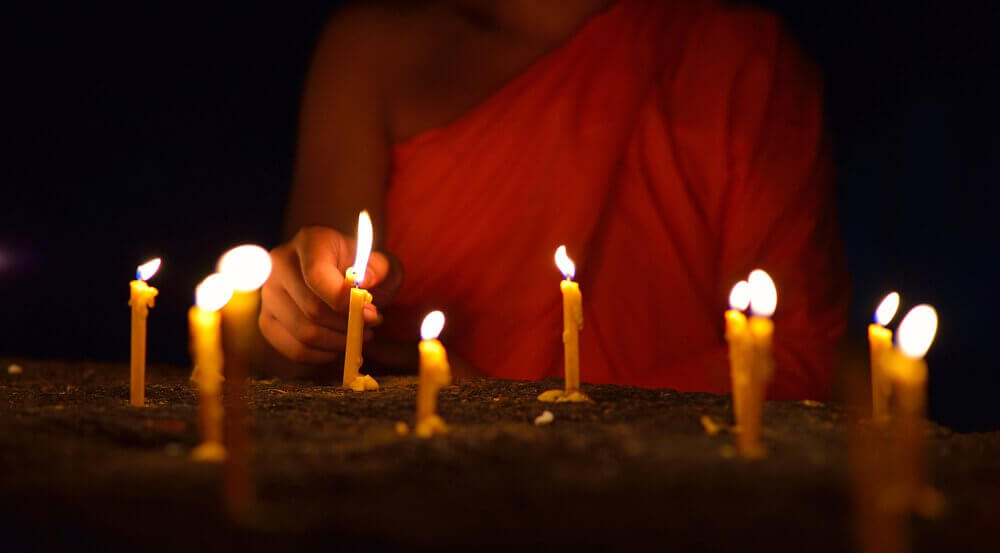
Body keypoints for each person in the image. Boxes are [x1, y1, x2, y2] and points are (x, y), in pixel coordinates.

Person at [260, 0, 848, 399]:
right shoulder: (377, 53)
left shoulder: (737, 59)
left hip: (667, 523)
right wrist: (301, 308)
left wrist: (524, 415)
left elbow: (794, 359)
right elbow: (310, 362)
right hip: (423, 510)